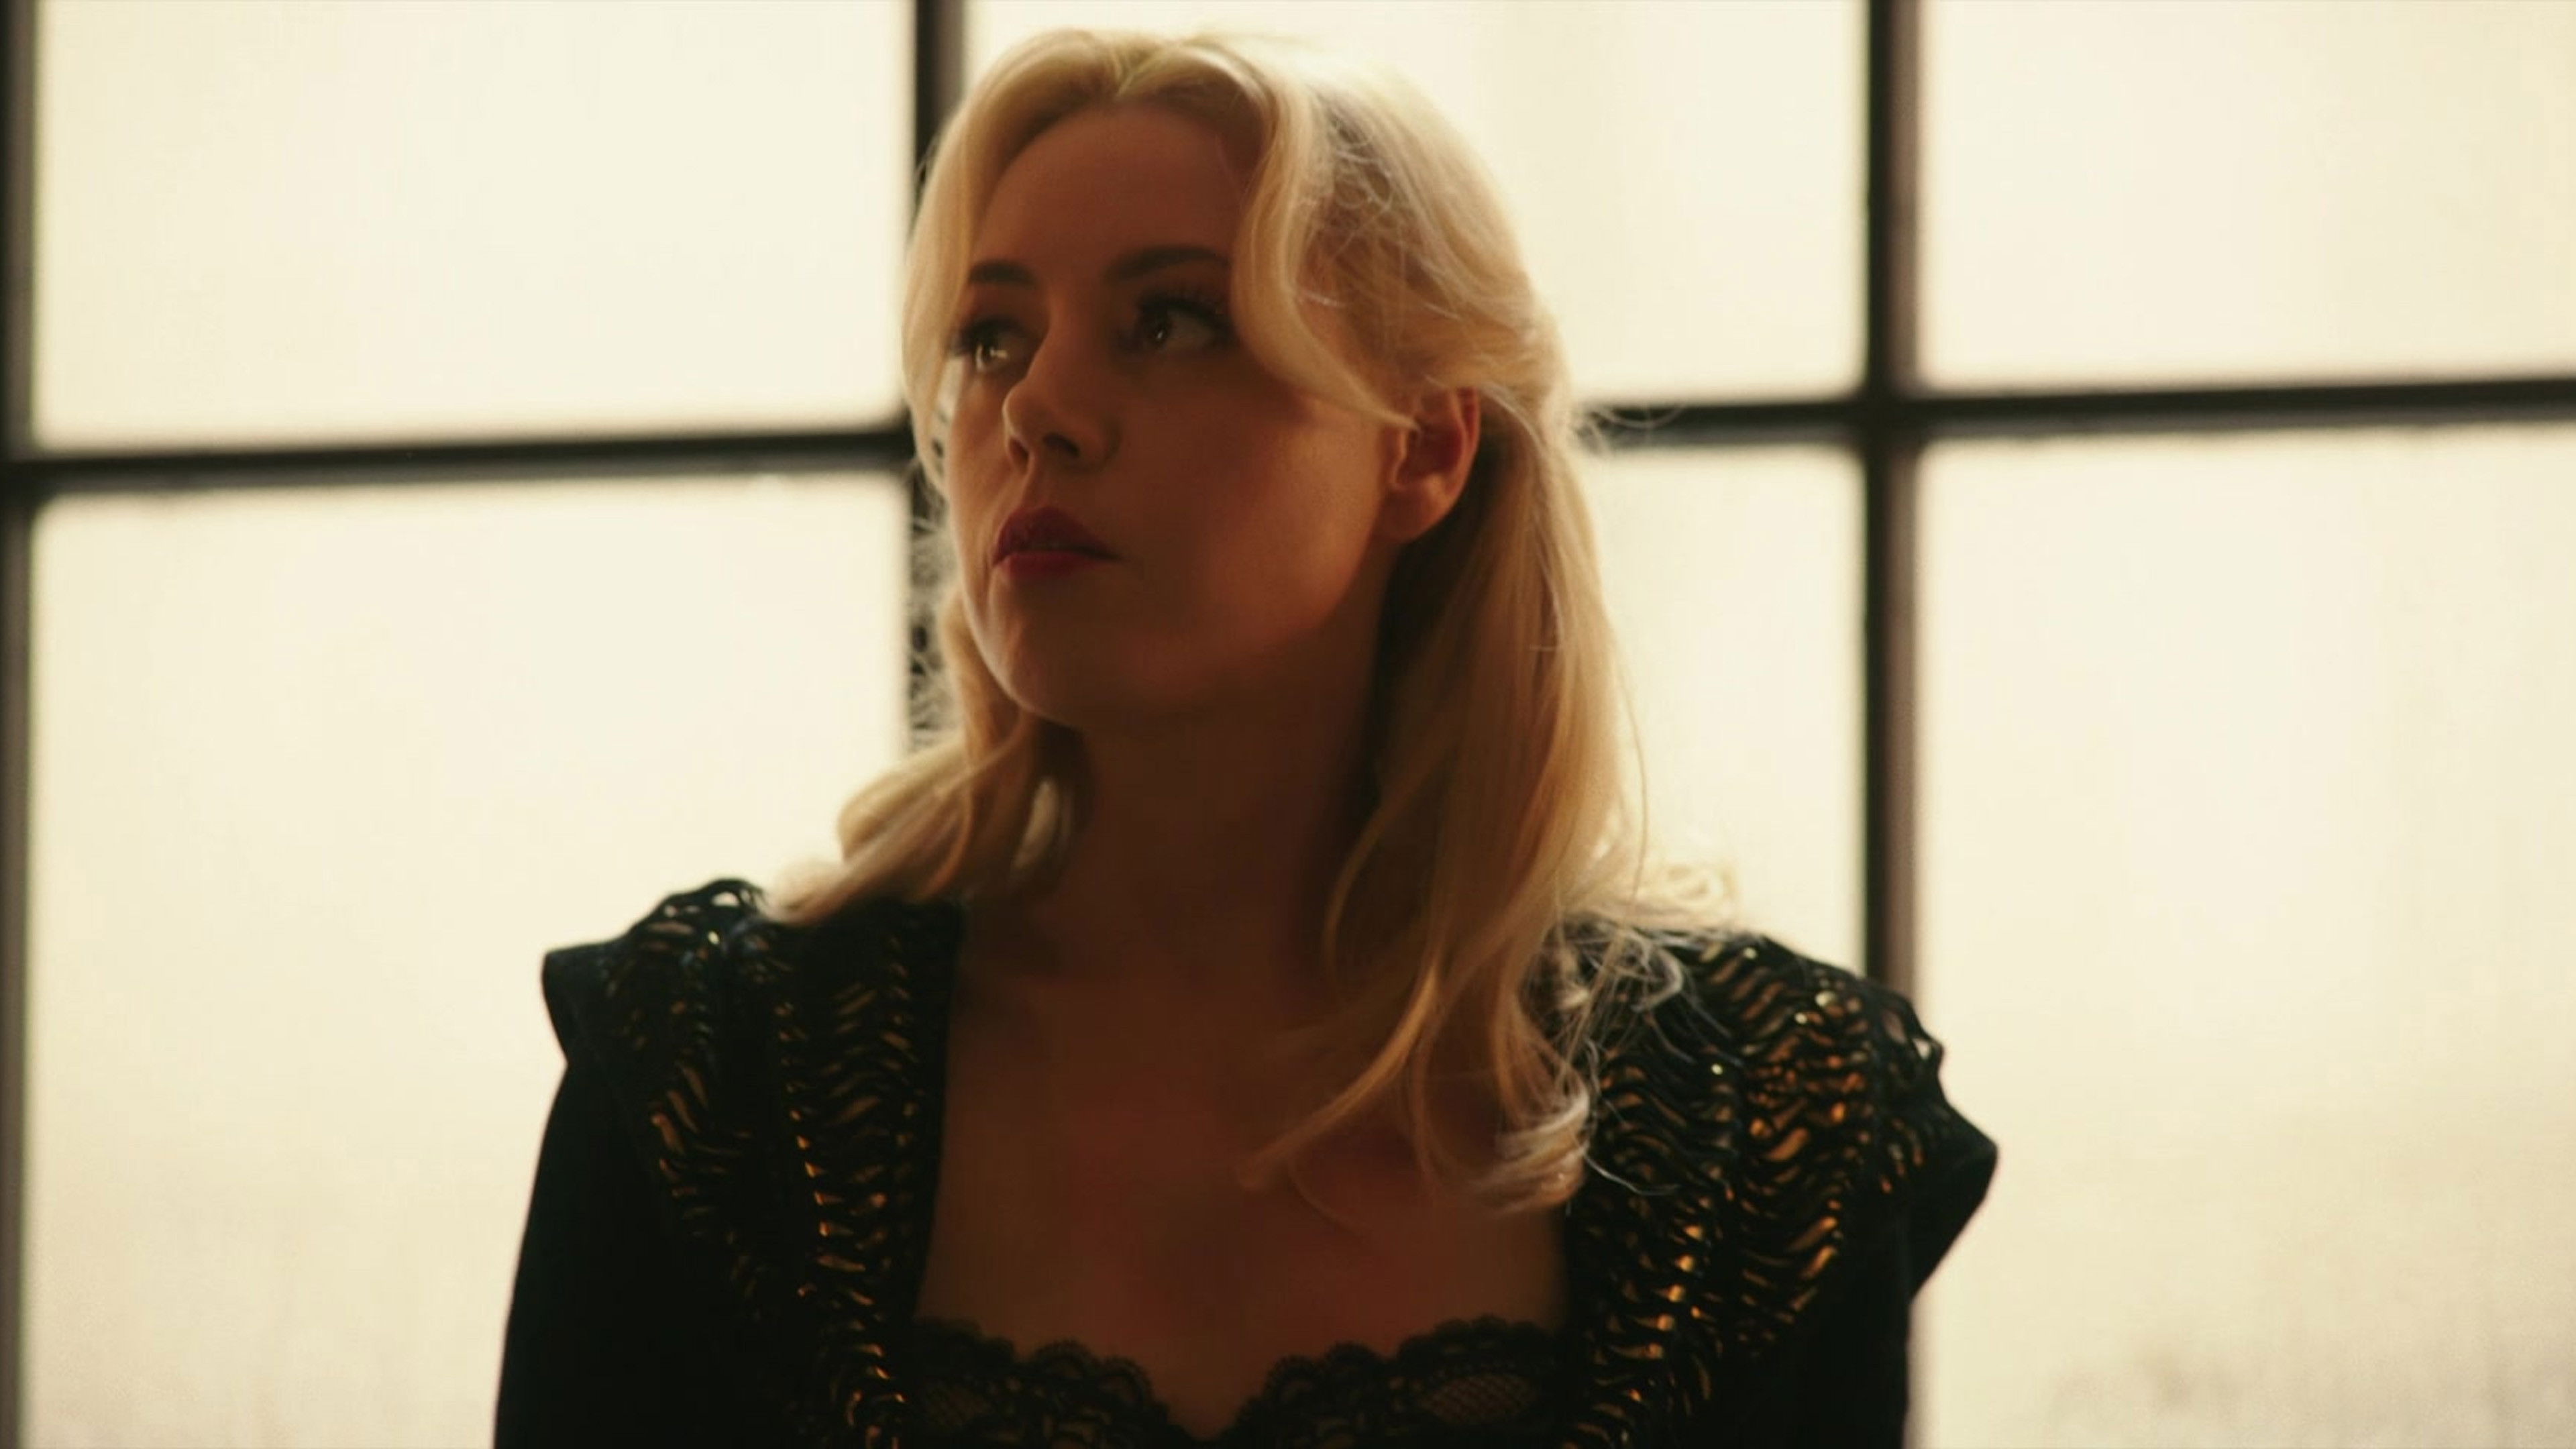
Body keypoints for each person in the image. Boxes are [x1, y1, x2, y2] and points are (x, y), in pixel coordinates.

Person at [496, 26, 1994, 1449]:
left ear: (1425, 446)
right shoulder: (720, 1088)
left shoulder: (1767, 1133)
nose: (1039, 410)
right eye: (992, 336)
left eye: (1171, 321)